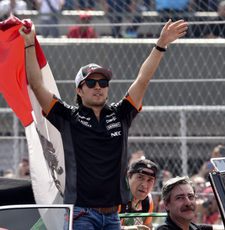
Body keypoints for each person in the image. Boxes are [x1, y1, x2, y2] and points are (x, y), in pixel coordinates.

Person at [19, 18, 188, 230]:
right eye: (90, 82)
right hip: (81, 214)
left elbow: (142, 79)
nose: (98, 87)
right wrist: (28, 43)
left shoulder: (121, 114)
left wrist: (161, 44)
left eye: (103, 82)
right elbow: (36, 84)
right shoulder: (67, 116)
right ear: (79, 90)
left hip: (112, 216)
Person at [119, 159, 158, 229]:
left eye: (150, 180)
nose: (145, 185)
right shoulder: (117, 197)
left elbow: (148, 227)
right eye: (140, 177)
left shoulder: (148, 200)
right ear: (129, 176)